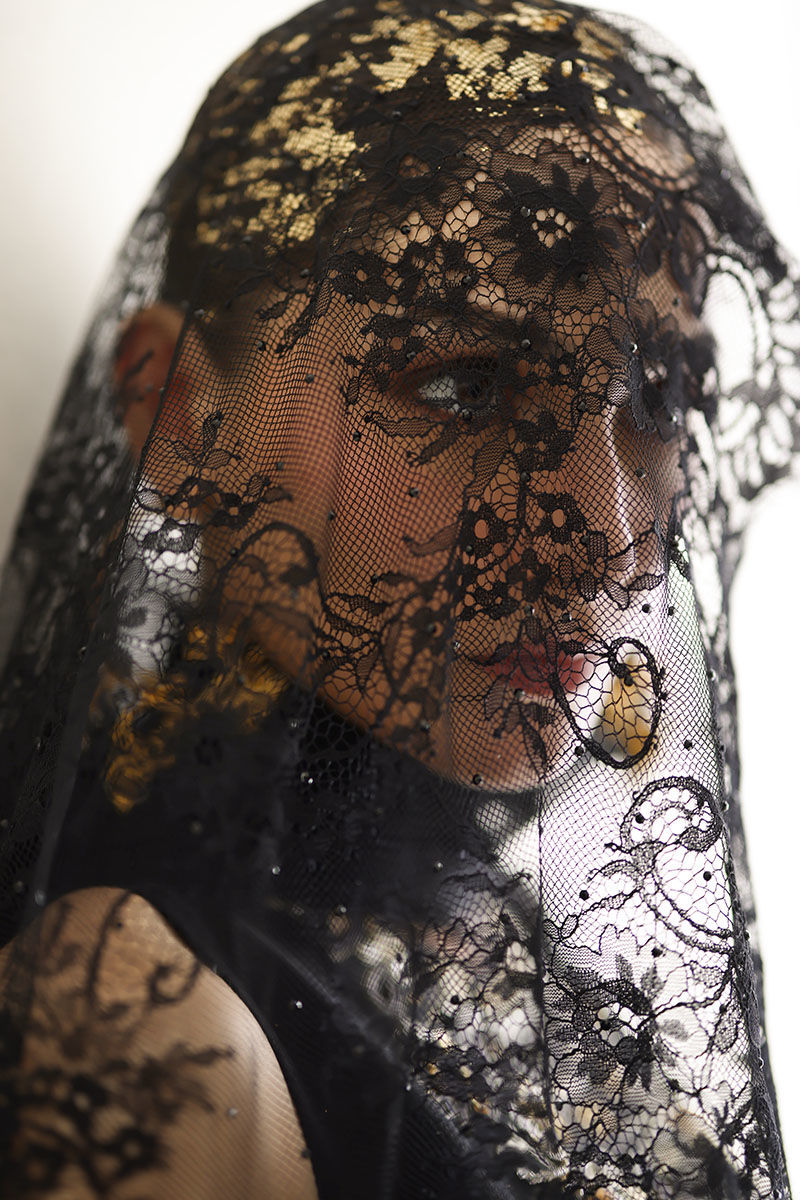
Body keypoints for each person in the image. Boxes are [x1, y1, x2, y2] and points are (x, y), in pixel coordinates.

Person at [0, 1, 795, 1196]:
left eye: (655, 397)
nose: (603, 534)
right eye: (462, 385)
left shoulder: (491, 943)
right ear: (182, 415)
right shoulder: (139, 1017)